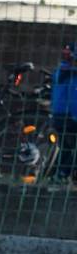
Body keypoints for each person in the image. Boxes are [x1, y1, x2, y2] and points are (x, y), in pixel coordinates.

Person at [51, 43, 77, 183]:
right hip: (69, 117)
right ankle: (61, 174)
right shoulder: (71, 72)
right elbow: (73, 99)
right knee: (69, 147)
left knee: (66, 147)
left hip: (59, 116)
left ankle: (58, 175)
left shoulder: (61, 70)